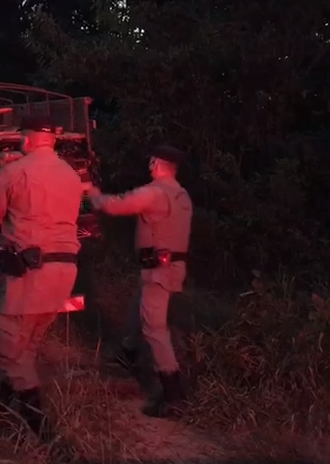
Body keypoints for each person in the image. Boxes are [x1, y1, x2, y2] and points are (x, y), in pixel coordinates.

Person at [0, 115, 84, 442]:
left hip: (31, 272)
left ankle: (45, 436)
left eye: (22, 137)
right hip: (65, 270)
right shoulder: (71, 174)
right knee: (27, 344)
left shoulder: (15, 171)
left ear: (28, 138)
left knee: (8, 349)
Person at [87, 145, 193, 418]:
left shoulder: (154, 193)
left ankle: (173, 396)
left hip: (159, 270)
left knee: (154, 328)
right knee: (139, 308)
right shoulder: (181, 195)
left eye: (151, 160)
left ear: (157, 164)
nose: (149, 164)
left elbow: (117, 205)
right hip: (168, 267)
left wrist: (92, 194)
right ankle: (127, 354)